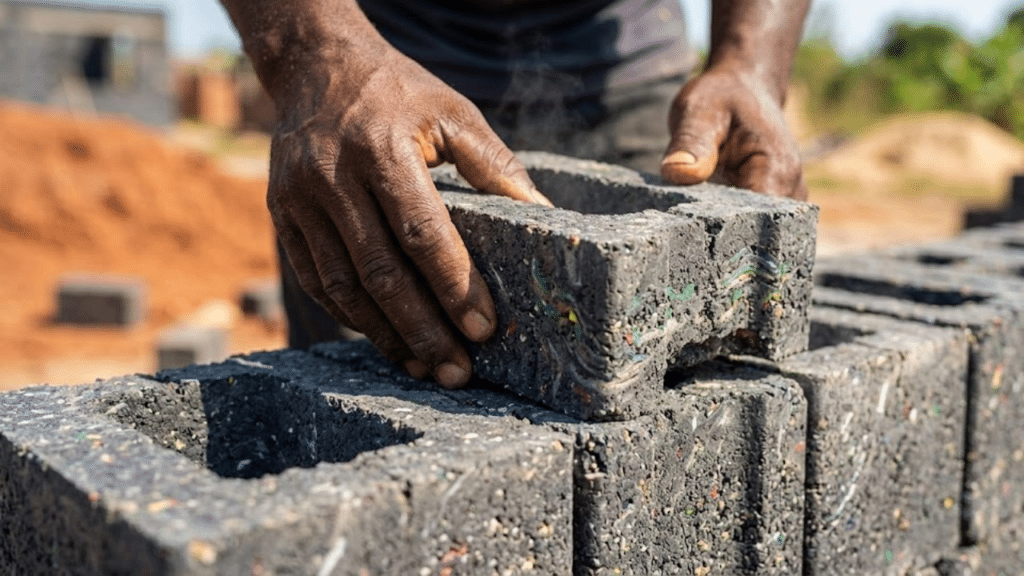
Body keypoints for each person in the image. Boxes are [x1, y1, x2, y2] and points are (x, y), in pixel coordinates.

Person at [218, 0, 809, 389]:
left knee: (659, 365)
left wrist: (752, 66)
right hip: (367, 69)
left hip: (624, 66)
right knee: (372, 357)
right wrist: (310, 54)